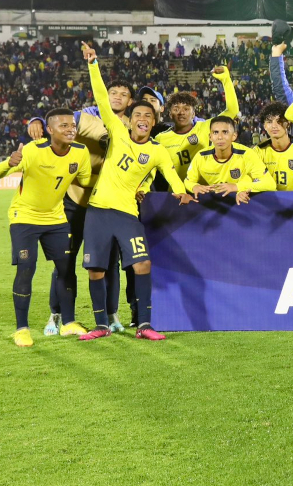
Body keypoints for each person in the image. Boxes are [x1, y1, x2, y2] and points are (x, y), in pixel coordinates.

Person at [77, 43, 193, 341]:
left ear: (153, 123)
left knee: (142, 263)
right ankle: (101, 325)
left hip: (127, 215)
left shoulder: (157, 151)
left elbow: (169, 174)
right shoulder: (116, 132)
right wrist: (92, 64)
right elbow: (102, 98)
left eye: (148, 116)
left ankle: (144, 325)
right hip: (98, 211)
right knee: (96, 271)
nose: (143, 118)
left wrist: (182, 191)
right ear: (130, 119)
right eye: (138, 114)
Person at [28, 77, 134, 335]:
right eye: (113, 92)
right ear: (105, 95)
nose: (117, 97)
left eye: (123, 94)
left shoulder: (132, 125)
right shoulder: (86, 116)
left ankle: (111, 314)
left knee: (109, 263)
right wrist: (37, 121)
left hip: (107, 204)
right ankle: (56, 314)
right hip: (75, 201)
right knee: (65, 261)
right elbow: (59, 121)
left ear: (130, 101)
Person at [1, 109, 92, 346]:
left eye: (72, 125)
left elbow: (84, 180)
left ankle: (69, 322)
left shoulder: (81, 152)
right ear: (49, 130)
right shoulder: (33, 150)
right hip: (25, 218)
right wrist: (8, 164)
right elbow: (3, 172)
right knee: (26, 268)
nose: (70, 129)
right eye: (63, 126)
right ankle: (22, 329)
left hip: (56, 219)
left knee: (66, 269)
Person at [155, 66, 239, 180]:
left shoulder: (205, 127)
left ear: (193, 114)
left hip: (205, 191)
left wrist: (226, 80)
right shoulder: (161, 139)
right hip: (178, 193)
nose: (181, 113)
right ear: (170, 114)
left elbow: (232, 110)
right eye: (176, 109)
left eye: (186, 109)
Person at [183, 117, 275, 205]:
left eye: (225, 132)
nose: (220, 137)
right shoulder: (201, 156)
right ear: (210, 137)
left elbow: (270, 184)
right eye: (215, 132)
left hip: (239, 204)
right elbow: (188, 181)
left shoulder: (247, 154)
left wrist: (237, 187)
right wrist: (194, 187)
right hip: (211, 204)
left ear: (234, 136)